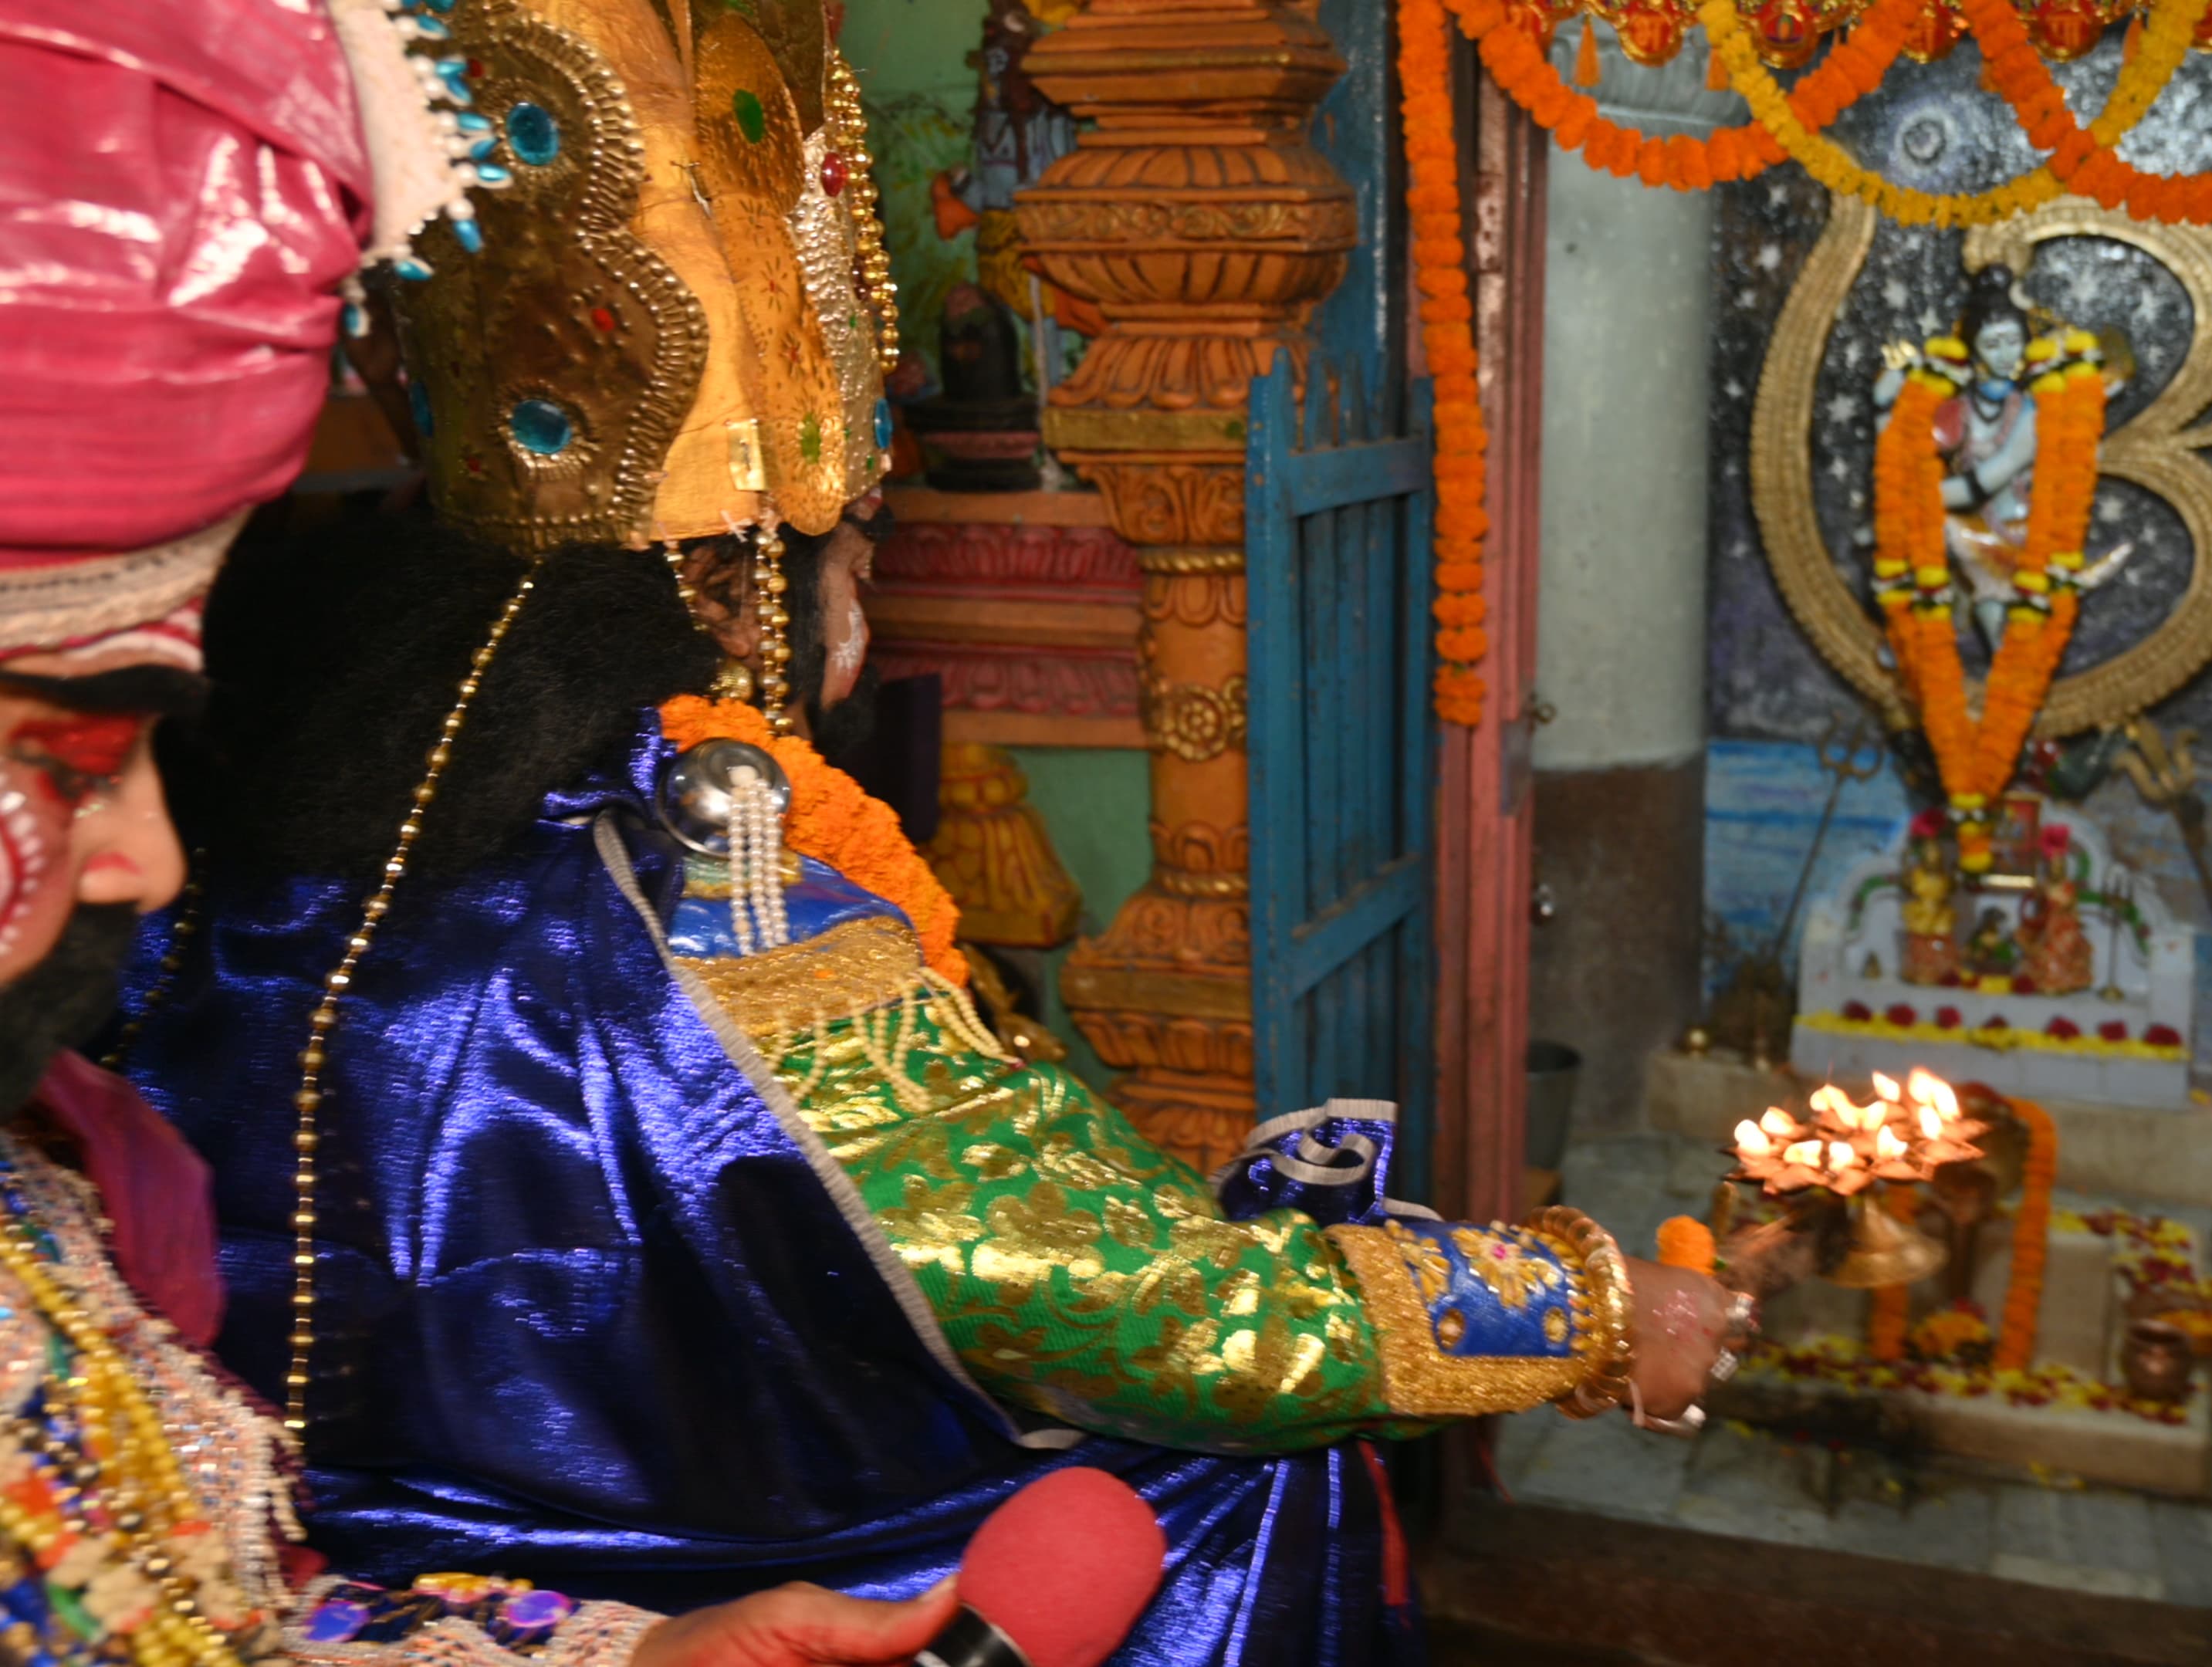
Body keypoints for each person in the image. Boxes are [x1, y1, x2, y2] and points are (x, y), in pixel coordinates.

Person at [113, 0, 1746, 1653]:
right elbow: (1162, 1318)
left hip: (283, 1577)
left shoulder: (194, 843)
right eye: (866, 539)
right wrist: (1590, 1310)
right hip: (705, 1608)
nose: (868, 599)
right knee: (1235, 1495)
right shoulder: (725, 908)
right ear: (736, 587)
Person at [0, 0, 967, 1658]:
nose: (152, 868)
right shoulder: (719, 881)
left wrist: (644, 1656)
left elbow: (239, 1620)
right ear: (738, 593)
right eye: (67, 761)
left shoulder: (48, 1202)